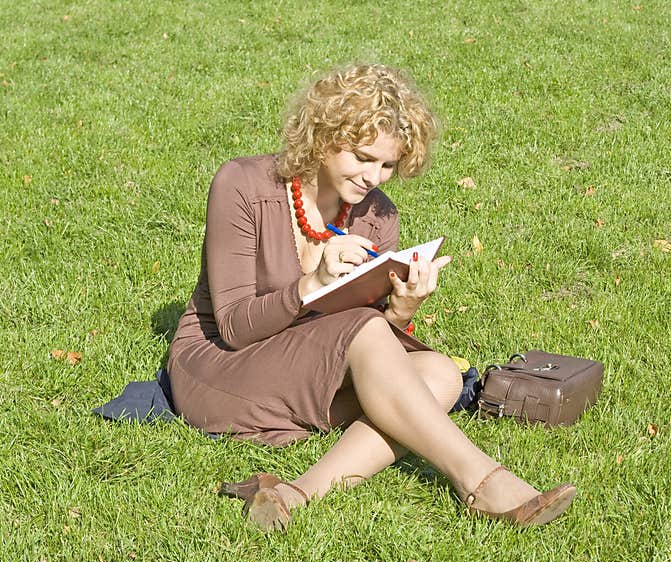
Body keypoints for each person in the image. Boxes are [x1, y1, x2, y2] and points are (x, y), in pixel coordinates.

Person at [167, 63, 576, 531]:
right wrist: (310, 284)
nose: (373, 177)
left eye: (387, 165)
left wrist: (401, 309)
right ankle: (483, 482)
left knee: (440, 374)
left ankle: (294, 494)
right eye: (362, 157)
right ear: (322, 137)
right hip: (220, 369)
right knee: (372, 336)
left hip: (302, 371)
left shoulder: (377, 217)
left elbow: (362, 343)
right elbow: (235, 327)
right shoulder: (243, 185)